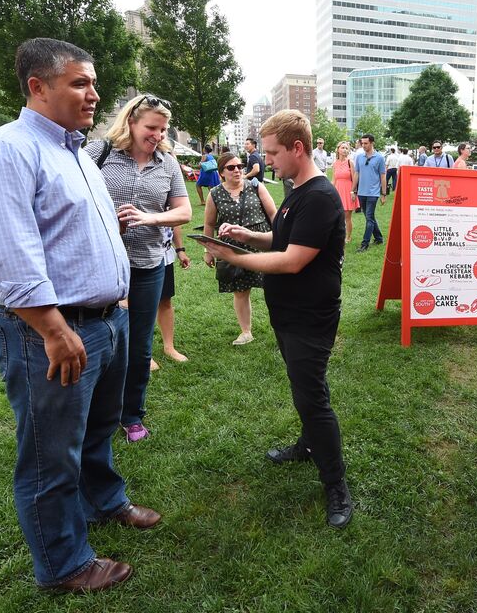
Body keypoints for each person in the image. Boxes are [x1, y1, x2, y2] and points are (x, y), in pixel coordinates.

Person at [0, 37, 160, 593]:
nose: (94, 94)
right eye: (80, 83)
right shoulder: (5, 150)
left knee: (97, 429)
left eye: (93, 83)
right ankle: (63, 563)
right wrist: (52, 328)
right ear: (38, 87)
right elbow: (6, 253)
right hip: (51, 329)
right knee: (51, 455)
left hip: (104, 321)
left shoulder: (75, 151)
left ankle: (104, 501)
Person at [192, 109, 353, 529]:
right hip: (288, 314)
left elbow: (293, 259)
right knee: (305, 390)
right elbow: (283, 239)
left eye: (271, 153)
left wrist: (234, 255)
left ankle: (335, 483)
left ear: (297, 149)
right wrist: (248, 236)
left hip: (309, 317)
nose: (263, 161)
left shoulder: (319, 196)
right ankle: (308, 444)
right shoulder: (297, 189)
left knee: (312, 397)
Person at [86, 95, 192, 443]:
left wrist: (151, 217)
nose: (158, 135)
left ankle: (131, 414)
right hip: (99, 262)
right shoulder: (97, 154)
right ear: (131, 120)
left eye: (162, 129)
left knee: (139, 344)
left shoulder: (168, 164)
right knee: (99, 339)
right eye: (152, 127)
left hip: (147, 265)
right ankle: (94, 411)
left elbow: (184, 212)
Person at [203, 152, 277, 345]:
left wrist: (281, 238)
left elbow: (273, 214)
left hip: (260, 243)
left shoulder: (255, 186)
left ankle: (282, 326)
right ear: (221, 173)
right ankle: (246, 332)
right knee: (241, 290)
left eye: (239, 166)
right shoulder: (215, 194)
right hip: (232, 247)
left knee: (273, 287)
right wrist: (208, 250)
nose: (237, 170)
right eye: (231, 167)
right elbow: (209, 224)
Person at [150, 224, 190, 371]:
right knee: (140, 306)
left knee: (165, 300)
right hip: (139, 255)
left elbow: (175, 220)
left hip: (164, 252)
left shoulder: (171, 199)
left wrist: (180, 250)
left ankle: (169, 347)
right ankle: (143, 353)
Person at [352, 133, 387, 253]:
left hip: (373, 193)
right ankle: (379, 238)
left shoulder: (380, 158)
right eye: (362, 143)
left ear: (372, 143)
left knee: (369, 217)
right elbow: (356, 173)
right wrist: (353, 190)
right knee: (369, 217)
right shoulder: (360, 157)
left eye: (366, 143)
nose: (363, 145)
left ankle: (364, 244)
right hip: (361, 192)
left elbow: (383, 176)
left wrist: (383, 194)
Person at [331, 141, 356, 243]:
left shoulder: (350, 162)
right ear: (338, 149)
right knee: (337, 216)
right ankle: (338, 234)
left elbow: (355, 178)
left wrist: (353, 192)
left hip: (348, 191)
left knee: (347, 217)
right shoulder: (335, 163)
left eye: (346, 148)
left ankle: (348, 237)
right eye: (343, 148)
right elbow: (333, 180)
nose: (345, 150)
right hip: (337, 191)